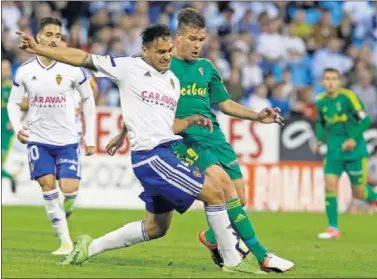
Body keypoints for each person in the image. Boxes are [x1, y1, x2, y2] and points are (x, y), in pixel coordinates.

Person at [17, 23, 274, 274]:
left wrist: (184, 122)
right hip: (152, 156)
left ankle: (89, 247)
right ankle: (232, 260)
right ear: (145, 50)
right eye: (160, 52)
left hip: (166, 151)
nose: (166, 56)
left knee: (156, 228)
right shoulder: (128, 67)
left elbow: (161, 121)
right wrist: (40, 49)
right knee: (216, 193)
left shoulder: (172, 81)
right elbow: (80, 57)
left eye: (169, 50)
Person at [108, 8, 294, 273]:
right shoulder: (164, 64)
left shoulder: (207, 68)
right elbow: (143, 103)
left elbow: (225, 103)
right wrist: (124, 133)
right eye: (193, 39)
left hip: (215, 138)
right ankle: (262, 256)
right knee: (225, 189)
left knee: (239, 198)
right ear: (179, 36)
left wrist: (256, 116)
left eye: (201, 40)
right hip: (186, 140)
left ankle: (212, 237)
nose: (197, 45)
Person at [8, 17, 97, 255]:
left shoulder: (72, 68)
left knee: (69, 189)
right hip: (38, 138)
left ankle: (66, 207)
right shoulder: (26, 71)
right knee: (47, 186)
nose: (54, 40)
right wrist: (18, 127)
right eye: (49, 35)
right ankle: (65, 242)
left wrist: (89, 138)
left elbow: (89, 98)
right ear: (39, 38)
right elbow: (13, 103)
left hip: (67, 139)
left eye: (58, 36)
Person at [315, 68, 377, 239]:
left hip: (354, 152)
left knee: (359, 193)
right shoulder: (320, 101)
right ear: (322, 82)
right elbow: (320, 122)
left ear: (339, 82)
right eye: (327, 79)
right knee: (329, 184)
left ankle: (374, 196)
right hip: (333, 152)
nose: (331, 82)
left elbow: (366, 119)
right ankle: (333, 228)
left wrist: (352, 138)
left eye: (334, 79)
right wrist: (320, 140)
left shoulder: (349, 97)